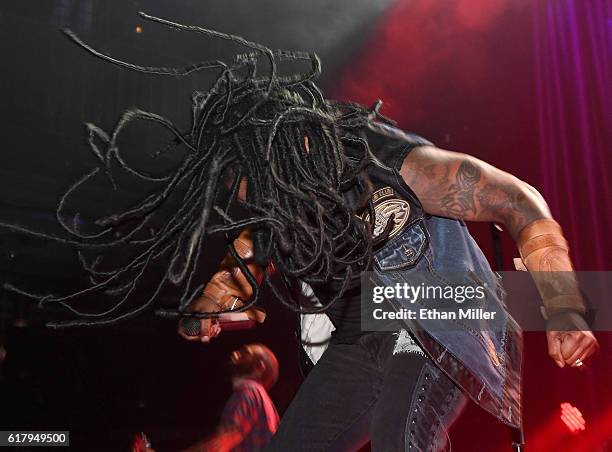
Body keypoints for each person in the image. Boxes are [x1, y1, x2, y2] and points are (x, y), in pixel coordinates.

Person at [6, 14, 598, 451]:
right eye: (241, 193)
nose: (250, 203)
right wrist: (204, 312)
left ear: (295, 156)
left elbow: (518, 200)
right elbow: (233, 274)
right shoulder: (269, 213)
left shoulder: (385, 161)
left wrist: (566, 306)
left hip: (439, 305)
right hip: (360, 331)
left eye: (253, 187)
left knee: (401, 433)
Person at [182, 344, 280, 452]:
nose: (234, 353)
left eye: (245, 353)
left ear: (259, 367)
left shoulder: (249, 391)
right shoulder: (263, 400)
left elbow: (219, 444)